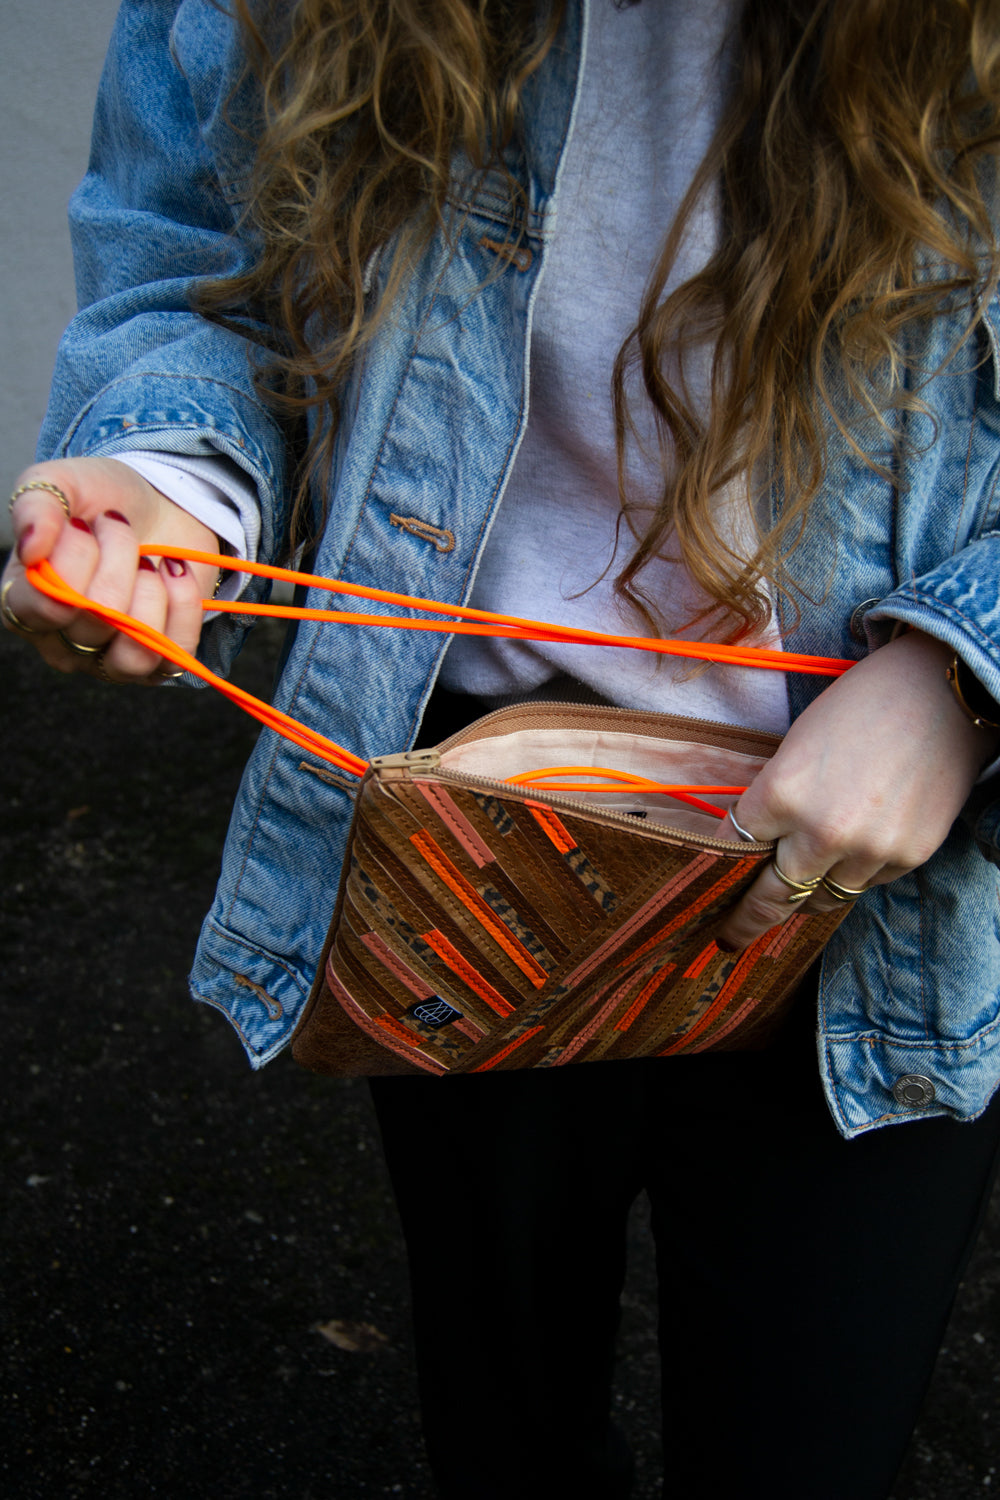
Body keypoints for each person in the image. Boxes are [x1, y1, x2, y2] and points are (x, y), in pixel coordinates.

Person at [5, 0, 1000, 1494]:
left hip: (881, 837)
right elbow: (202, 254)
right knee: (502, 1401)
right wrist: (167, 478)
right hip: (467, 799)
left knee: (807, 1438)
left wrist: (959, 677)